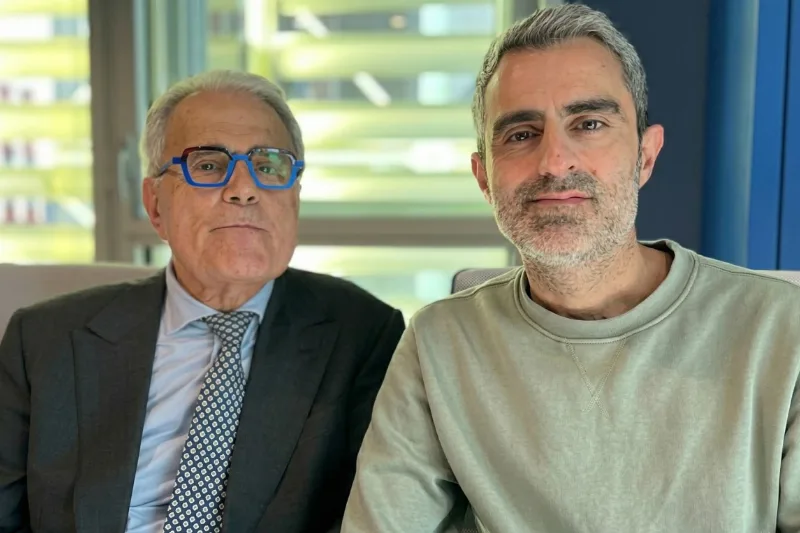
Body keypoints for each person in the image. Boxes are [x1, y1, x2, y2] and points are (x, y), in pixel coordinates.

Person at [341, 4, 800, 532]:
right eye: (520, 134)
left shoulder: (781, 331)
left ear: (645, 157)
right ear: (484, 177)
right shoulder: (440, 342)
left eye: (589, 124)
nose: (555, 162)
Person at [0, 70, 405, 533]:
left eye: (269, 165)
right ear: (156, 205)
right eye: (209, 165)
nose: (244, 188)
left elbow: (372, 517)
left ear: (294, 195)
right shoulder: (45, 340)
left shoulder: (363, 334)